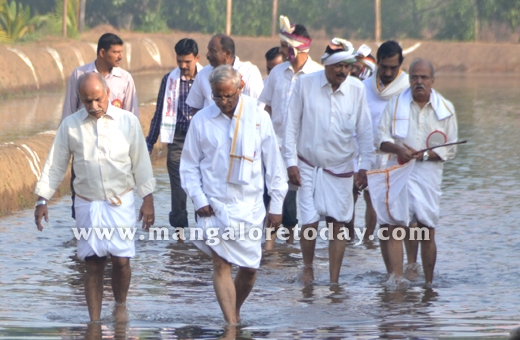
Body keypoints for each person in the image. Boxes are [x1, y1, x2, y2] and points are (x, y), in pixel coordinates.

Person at [34, 73, 156, 321]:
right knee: (93, 262)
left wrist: (148, 200)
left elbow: (141, 162)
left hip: (120, 201)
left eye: (98, 99)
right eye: (87, 101)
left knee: (122, 260)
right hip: (87, 203)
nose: (94, 106)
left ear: (108, 94)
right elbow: (55, 164)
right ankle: (94, 322)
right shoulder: (71, 125)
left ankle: (120, 306)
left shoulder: (127, 122)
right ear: (80, 99)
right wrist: (42, 199)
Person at [180, 65, 288, 324]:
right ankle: (231, 325)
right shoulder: (202, 120)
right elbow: (189, 166)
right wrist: (199, 199)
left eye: (229, 95)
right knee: (221, 264)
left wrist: (277, 204)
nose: (224, 102)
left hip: (250, 207)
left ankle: (234, 312)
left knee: (250, 270)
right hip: (214, 206)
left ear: (240, 87)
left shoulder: (258, 115)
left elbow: (273, 163)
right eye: (218, 96)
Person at [283, 38, 375, 284]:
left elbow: (365, 131)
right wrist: (290, 163)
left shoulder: (356, 89)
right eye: (339, 66)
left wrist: (365, 166)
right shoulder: (305, 84)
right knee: (309, 221)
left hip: (342, 167)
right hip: (307, 165)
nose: (344, 71)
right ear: (326, 65)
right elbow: (290, 127)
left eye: (347, 66)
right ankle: (309, 268)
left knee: (338, 223)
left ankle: (334, 281)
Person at [374, 58, 458, 286]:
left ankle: (429, 284)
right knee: (394, 226)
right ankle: (397, 282)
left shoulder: (446, 109)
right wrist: (398, 149)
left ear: (432, 80)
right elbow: (380, 139)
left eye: (423, 77)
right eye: (414, 77)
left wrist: (422, 155)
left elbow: (450, 149)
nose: (418, 82)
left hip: (428, 175)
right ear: (409, 79)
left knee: (427, 229)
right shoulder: (394, 104)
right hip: (399, 170)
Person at [259, 16, 323, 249]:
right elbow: (265, 106)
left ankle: (298, 250)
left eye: (285, 46)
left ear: (296, 48)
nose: (281, 50)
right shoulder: (277, 73)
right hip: (275, 147)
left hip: (305, 151)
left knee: (305, 204)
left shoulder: (319, 75)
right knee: (272, 197)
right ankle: (269, 250)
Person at [146, 38, 201, 234]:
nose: (183, 66)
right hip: (177, 139)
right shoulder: (169, 80)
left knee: (202, 184)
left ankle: (203, 230)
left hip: (201, 140)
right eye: (180, 61)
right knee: (178, 188)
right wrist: (149, 143)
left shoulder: (206, 78)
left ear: (197, 58)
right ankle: (179, 235)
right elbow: (160, 112)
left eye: (187, 61)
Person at [361, 40, 409, 242]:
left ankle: (406, 264)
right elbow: (357, 125)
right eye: (384, 67)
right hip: (367, 155)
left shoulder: (407, 89)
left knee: (398, 213)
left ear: (400, 65)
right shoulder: (363, 87)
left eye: (393, 68)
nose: (388, 73)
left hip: (397, 158)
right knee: (369, 201)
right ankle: (365, 244)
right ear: (377, 62)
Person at [62, 33, 138, 119]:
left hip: (114, 131)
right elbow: (69, 111)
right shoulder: (79, 74)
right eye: (116, 52)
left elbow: (132, 115)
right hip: (84, 130)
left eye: (121, 52)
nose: (121, 56)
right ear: (102, 53)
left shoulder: (125, 78)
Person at [186, 34, 264, 113]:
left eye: (212, 51)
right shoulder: (203, 74)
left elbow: (258, 106)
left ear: (227, 53)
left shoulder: (249, 72)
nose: (208, 55)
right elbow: (195, 108)